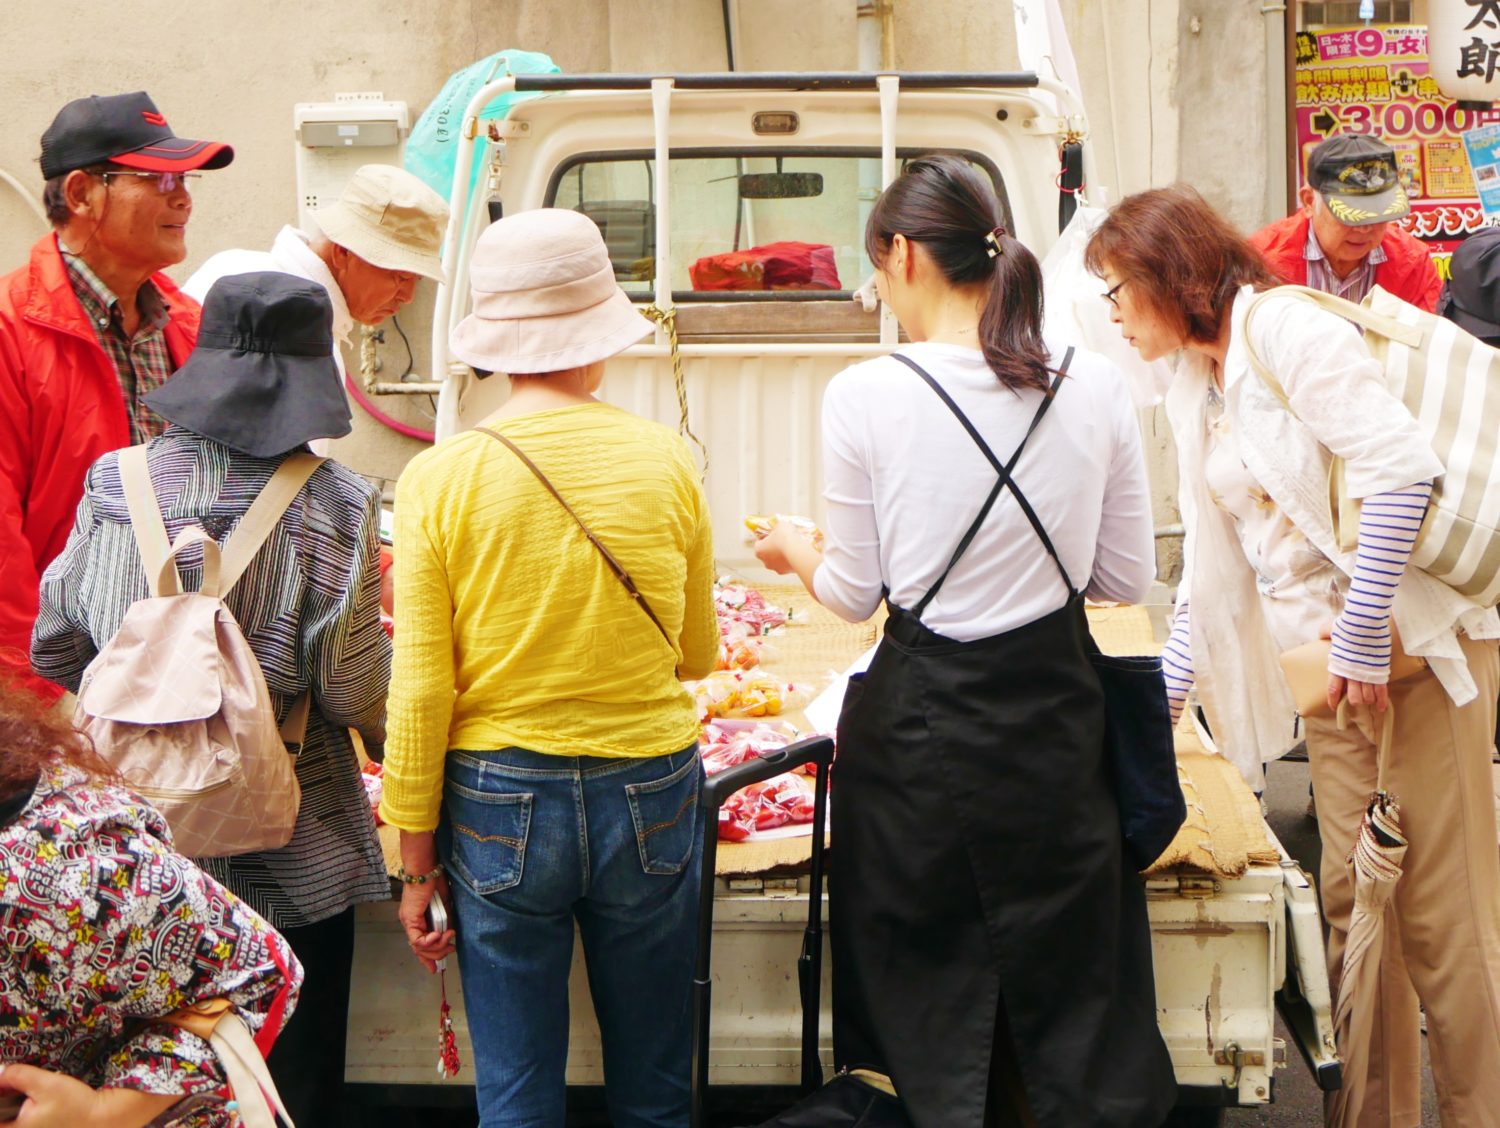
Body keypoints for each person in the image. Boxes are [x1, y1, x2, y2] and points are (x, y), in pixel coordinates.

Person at [753, 154, 1175, 1127]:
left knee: (926, 1008)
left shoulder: (865, 393)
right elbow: (1122, 581)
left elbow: (856, 593)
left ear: (904, 255)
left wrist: (791, 550)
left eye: (876, 270)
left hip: (921, 754)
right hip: (1058, 737)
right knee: (1066, 1010)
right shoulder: (1097, 385)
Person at [1086, 184, 1500, 1125]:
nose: (1111, 318)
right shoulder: (1197, 381)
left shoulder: (1284, 331)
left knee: (1444, 924)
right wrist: (1165, 709)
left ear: (1166, 276)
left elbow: (1400, 469)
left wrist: (1359, 632)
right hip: (1336, 684)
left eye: (1116, 293)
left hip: (1420, 661)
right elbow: (1209, 573)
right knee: (1360, 912)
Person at [379, 207, 718, 1127]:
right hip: (650, 786)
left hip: (496, 800)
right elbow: (696, 655)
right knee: (656, 1089)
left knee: (519, 1097)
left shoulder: (437, 479)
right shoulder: (666, 460)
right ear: (598, 329)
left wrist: (416, 865)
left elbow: (419, 688)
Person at [30, 273, 392, 1127]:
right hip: (293, 860)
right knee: (286, 1098)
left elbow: (56, 646)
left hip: (136, 866)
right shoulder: (337, 502)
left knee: (141, 1098)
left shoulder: (114, 484)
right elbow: (350, 691)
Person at [0, 91, 233, 703]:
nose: (182, 196)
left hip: (189, 674)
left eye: (184, 179)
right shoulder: (10, 331)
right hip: (64, 679)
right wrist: (37, 698)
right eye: (157, 179)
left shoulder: (192, 325)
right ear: (81, 193)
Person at [0, 672, 301, 1128]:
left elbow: (253, 968)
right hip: (246, 819)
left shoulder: (55, 872)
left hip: (164, 857)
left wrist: (104, 1114)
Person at [184, 162, 448, 376]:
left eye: (417, 280)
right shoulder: (293, 328)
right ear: (343, 251)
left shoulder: (232, 265)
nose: (408, 295)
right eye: (401, 276)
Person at [1249, 134, 1440, 312]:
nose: (1365, 228)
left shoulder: (1413, 264)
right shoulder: (1260, 261)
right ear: (1308, 201)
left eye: (1377, 212)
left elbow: (1429, 341)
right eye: (1352, 214)